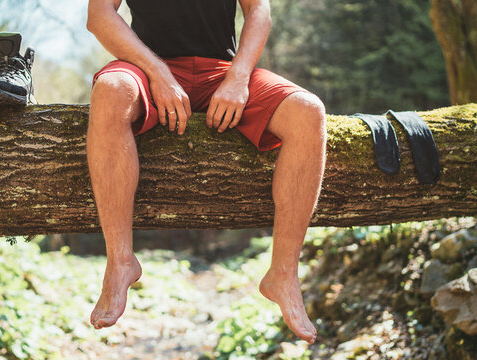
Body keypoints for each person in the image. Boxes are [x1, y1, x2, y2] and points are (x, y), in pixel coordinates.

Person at [86, 0, 326, 344]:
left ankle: (283, 274)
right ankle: (120, 261)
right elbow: (99, 16)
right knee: (110, 90)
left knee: (308, 111)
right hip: (145, 69)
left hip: (224, 71)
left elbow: (259, 10)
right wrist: (157, 72)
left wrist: (239, 76)